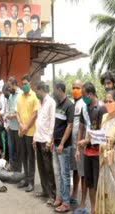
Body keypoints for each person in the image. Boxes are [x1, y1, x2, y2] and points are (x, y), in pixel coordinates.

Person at [76, 82, 107, 214]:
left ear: (90, 94)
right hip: (87, 151)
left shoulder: (101, 108)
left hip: (98, 152)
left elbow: (103, 132)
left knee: (99, 183)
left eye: (83, 95)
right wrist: (78, 147)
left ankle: (100, 210)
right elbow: (81, 128)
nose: (83, 98)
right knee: (89, 184)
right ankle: (93, 209)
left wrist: (87, 140)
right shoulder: (84, 108)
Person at [32, 81, 56, 205]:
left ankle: (52, 194)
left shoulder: (51, 102)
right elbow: (39, 122)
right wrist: (35, 138)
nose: (36, 93)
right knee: (41, 168)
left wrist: (49, 140)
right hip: (39, 138)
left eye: (37, 91)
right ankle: (45, 191)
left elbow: (52, 122)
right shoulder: (39, 103)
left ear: (42, 90)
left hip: (46, 140)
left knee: (48, 168)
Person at [52, 82, 74, 212]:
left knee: (65, 174)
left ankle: (66, 203)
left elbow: (69, 126)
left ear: (59, 90)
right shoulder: (58, 104)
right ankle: (60, 197)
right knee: (59, 173)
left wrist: (61, 144)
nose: (53, 92)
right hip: (56, 144)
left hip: (64, 146)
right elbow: (56, 124)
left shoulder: (69, 105)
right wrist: (52, 139)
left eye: (55, 90)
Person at [15, 74, 39, 192]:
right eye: (22, 84)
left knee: (31, 157)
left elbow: (35, 114)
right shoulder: (19, 97)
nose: (24, 86)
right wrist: (20, 125)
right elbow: (17, 113)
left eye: (26, 84)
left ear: (30, 83)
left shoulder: (34, 96)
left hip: (30, 132)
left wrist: (26, 127)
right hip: (21, 132)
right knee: (23, 156)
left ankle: (31, 182)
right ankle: (25, 179)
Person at [70, 80, 86, 207]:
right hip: (70, 142)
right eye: (73, 87)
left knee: (80, 170)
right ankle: (73, 192)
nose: (75, 90)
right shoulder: (71, 103)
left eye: (78, 88)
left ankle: (76, 194)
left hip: (80, 142)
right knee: (74, 169)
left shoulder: (83, 104)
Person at [6, 77, 22, 172]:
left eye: (9, 86)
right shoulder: (11, 96)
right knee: (12, 148)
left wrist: (12, 116)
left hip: (18, 127)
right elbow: (9, 109)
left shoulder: (20, 95)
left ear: (15, 84)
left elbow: (20, 112)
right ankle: (13, 166)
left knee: (18, 150)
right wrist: (8, 123)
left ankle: (18, 170)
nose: (8, 88)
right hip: (11, 127)